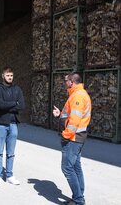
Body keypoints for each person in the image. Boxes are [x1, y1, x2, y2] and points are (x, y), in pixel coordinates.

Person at [53, 73, 91, 205]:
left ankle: (78, 200)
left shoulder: (78, 96)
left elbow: (75, 120)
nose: (64, 83)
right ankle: (79, 196)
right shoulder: (77, 94)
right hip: (76, 137)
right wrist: (60, 116)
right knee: (76, 167)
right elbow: (71, 116)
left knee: (67, 168)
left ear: (71, 82)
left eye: (66, 81)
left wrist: (66, 135)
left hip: (73, 138)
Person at [0, 66, 25, 188]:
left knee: (11, 153)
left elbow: (22, 105)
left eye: (11, 75)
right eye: (7, 75)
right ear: (3, 76)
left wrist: (10, 105)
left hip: (13, 124)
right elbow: (0, 105)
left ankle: (10, 175)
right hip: (0, 124)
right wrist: (14, 103)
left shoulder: (17, 89)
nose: (10, 77)